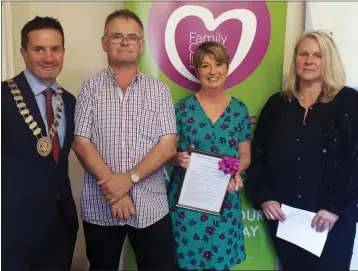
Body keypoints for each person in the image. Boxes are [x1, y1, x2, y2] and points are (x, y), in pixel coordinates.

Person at [72, 9, 178, 270]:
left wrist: (128, 180)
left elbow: (168, 145)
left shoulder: (159, 90)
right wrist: (116, 191)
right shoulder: (89, 88)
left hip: (151, 205)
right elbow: (81, 143)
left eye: (132, 37)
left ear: (141, 45)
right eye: (117, 36)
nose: (124, 42)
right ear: (104, 42)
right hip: (101, 204)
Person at [246, 30, 358, 270]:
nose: (309, 61)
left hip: (331, 223)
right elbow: (258, 155)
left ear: (329, 60)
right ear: (295, 58)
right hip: (286, 221)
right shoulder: (277, 104)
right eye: (303, 54)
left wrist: (335, 207)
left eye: (317, 55)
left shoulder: (350, 102)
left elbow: (355, 161)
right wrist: (264, 196)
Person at [1, 16, 79, 270]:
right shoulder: (3, 97)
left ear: (63, 53)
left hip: (60, 226)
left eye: (55, 49)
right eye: (39, 49)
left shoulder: (69, 101)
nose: (48, 57)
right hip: (13, 229)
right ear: (24, 53)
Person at [167, 41, 251, 271]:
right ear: (197, 70)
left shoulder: (239, 110)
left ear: (227, 67)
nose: (213, 71)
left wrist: (236, 171)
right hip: (188, 204)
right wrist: (178, 158)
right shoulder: (182, 109)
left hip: (223, 201)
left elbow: (245, 155)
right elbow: (169, 153)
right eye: (205, 65)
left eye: (219, 64)